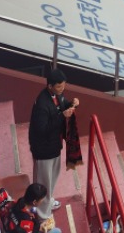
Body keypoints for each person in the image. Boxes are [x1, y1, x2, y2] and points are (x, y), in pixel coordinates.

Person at [28, 67, 79, 220]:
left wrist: (72, 104)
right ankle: (43, 216)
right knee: (43, 183)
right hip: (43, 150)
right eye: (59, 86)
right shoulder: (42, 104)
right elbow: (42, 129)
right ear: (49, 85)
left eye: (63, 85)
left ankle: (48, 201)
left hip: (54, 146)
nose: (62, 88)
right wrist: (62, 116)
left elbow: (61, 107)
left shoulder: (58, 95)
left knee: (52, 178)